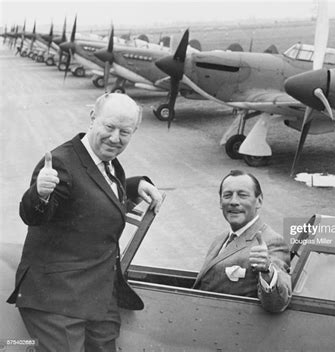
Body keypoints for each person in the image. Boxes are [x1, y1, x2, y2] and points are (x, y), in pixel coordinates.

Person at [7, 93, 163, 351]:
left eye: (125, 132)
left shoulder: (106, 161)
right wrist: (41, 194)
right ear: (93, 119)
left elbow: (95, 191)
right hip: (56, 299)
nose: (115, 138)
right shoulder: (60, 163)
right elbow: (33, 215)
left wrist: (135, 186)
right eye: (109, 127)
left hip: (96, 296)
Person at [193, 170, 292, 313]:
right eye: (227, 195)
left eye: (242, 195)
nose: (233, 202)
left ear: (259, 201)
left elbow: (278, 303)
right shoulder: (220, 239)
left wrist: (267, 269)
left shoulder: (271, 241)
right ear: (220, 202)